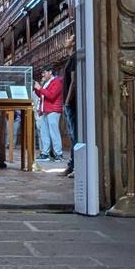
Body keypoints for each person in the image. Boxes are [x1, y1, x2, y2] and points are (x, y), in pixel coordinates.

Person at [34, 65, 64, 162]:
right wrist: (37, 89)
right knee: (44, 133)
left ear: (50, 72)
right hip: (45, 110)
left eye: (44, 72)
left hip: (53, 110)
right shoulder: (47, 83)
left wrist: (40, 88)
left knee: (54, 132)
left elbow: (51, 96)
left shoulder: (57, 81)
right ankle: (45, 153)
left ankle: (58, 153)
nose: (43, 75)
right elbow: (42, 96)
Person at [62, 49, 76, 179]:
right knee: (72, 136)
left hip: (71, 103)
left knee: (75, 136)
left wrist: (67, 101)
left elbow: (74, 81)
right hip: (68, 103)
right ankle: (71, 165)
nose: (66, 40)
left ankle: (76, 167)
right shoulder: (71, 58)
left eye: (70, 38)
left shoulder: (75, 57)